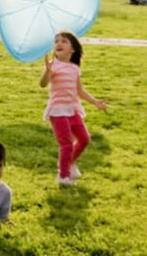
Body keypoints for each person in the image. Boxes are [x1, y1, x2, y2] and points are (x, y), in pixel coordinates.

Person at [40, 31, 108, 186]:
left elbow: (80, 91)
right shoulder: (53, 66)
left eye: (64, 41)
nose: (58, 43)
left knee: (84, 139)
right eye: (56, 41)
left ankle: (70, 164)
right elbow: (43, 84)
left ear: (73, 49)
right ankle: (63, 176)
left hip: (72, 110)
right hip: (58, 111)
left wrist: (95, 101)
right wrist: (47, 72)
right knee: (66, 144)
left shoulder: (75, 69)